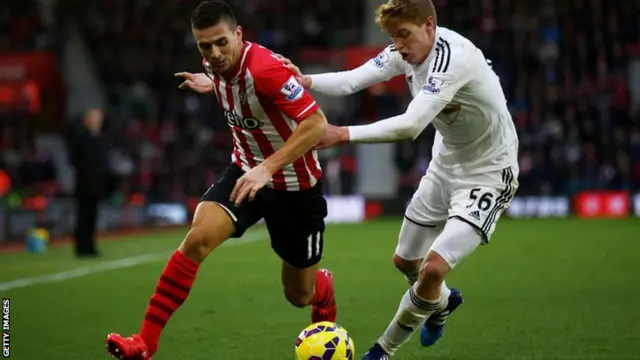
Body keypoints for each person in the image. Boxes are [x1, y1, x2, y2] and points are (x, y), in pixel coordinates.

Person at [282, 0, 519, 358]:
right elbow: (351, 80)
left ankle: (382, 351)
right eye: (393, 37)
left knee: (434, 267)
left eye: (404, 35)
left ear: (428, 25)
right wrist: (306, 80)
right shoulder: (404, 51)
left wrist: (342, 134)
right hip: (445, 164)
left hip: (488, 173)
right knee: (406, 263)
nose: (398, 45)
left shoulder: (454, 59)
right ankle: (441, 305)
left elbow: (410, 126)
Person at [105, 2, 336, 359]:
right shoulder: (214, 64)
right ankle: (145, 343)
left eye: (221, 43)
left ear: (239, 35)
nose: (213, 53)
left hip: (294, 186)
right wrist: (210, 82)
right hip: (244, 172)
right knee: (196, 239)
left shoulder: (266, 70)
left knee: (299, 296)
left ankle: (323, 287)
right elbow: (228, 82)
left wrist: (268, 168)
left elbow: (317, 123)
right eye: (204, 46)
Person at [66, 108, 113, 258]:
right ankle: (82, 247)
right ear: (86, 120)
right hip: (85, 185)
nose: (96, 121)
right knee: (83, 216)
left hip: (97, 185)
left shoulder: (101, 138)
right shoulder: (80, 138)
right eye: (93, 118)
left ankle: (90, 246)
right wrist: (87, 173)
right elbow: (74, 160)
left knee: (92, 216)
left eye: (98, 118)